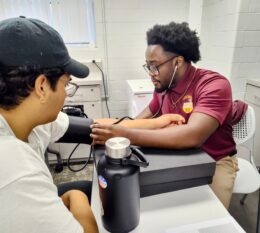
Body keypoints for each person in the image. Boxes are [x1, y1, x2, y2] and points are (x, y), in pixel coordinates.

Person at [91, 22, 238, 209]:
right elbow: (145, 116)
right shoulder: (163, 86)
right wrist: (118, 132)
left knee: (209, 214)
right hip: (180, 156)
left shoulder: (214, 85)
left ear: (177, 62)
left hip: (216, 161)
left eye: (155, 66)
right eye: (148, 66)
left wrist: (124, 134)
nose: (151, 74)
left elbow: (192, 135)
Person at [0, 17, 98, 233]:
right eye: (66, 83)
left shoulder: (20, 116)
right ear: (42, 87)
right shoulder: (15, 168)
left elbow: (93, 126)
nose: (66, 93)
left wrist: (154, 124)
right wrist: (78, 199)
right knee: (80, 191)